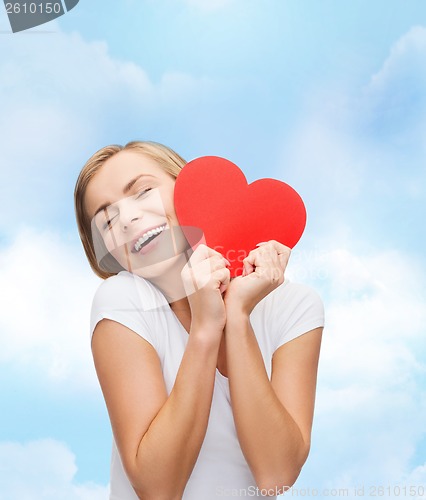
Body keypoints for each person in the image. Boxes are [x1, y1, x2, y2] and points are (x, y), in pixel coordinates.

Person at [74, 140, 324, 500]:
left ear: (190, 187)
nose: (127, 219)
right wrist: (206, 329)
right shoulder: (123, 301)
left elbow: (276, 475)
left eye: (144, 191)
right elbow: (158, 488)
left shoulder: (295, 306)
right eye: (107, 220)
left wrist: (236, 316)